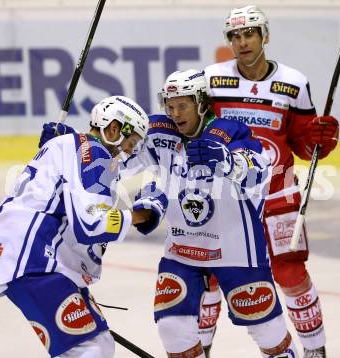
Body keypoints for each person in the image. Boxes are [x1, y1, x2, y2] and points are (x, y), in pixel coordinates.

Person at [39, 70, 299, 357]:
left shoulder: (230, 132)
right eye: (170, 106)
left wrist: (227, 161)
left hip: (235, 249)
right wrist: (71, 148)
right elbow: (114, 154)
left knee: (268, 333)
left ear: (201, 102)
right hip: (182, 250)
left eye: (183, 105)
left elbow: (261, 172)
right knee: (172, 329)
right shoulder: (159, 132)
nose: (175, 113)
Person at [201, 5, 340, 358]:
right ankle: (198, 349)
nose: (242, 41)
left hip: (279, 194)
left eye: (249, 33)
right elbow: (194, 130)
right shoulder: (212, 80)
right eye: (234, 35)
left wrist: (318, 140)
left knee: (290, 272)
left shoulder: (293, 83)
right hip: (226, 199)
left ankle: (314, 349)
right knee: (210, 276)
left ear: (265, 36)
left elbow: (304, 147)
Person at [0, 96, 168, 358]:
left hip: (37, 259)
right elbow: (91, 225)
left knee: (98, 344)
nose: (129, 152)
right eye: (130, 143)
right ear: (114, 129)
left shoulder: (71, 146)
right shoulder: (93, 153)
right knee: (91, 349)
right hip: (37, 261)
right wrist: (142, 214)